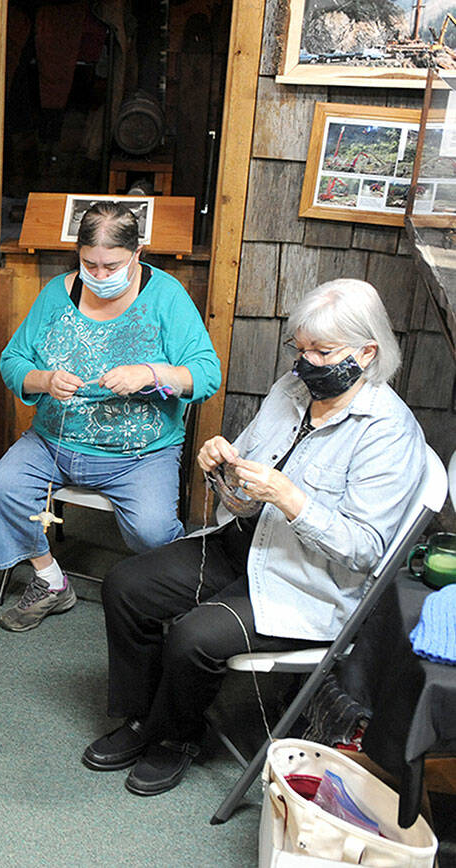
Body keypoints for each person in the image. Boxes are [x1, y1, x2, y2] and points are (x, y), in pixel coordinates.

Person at [84, 279, 427, 796]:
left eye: (322, 351)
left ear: (366, 352)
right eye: (301, 348)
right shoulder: (290, 391)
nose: (306, 361)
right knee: (127, 585)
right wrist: (221, 468)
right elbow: (242, 490)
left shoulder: (388, 433)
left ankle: (176, 737)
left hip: (309, 579)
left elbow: (365, 550)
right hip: (245, 542)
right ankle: (140, 719)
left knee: (195, 637)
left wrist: (293, 500)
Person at [0, 201, 221, 633]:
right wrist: (43, 379)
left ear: (137, 254)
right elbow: (13, 359)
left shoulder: (166, 297)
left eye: (111, 265)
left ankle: (164, 595)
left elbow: (207, 374)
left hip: (140, 453)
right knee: (3, 487)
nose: (98, 274)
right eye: (89, 263)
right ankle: (50, 580)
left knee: (152, 533)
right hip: (54, 442)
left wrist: (151, 373)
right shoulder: (58, 293)